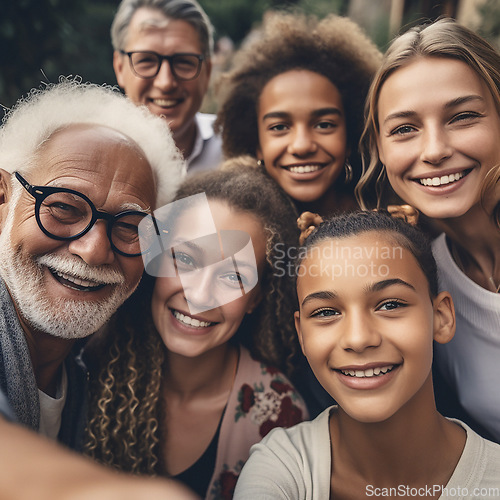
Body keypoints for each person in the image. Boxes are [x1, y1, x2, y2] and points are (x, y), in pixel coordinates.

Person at [0, 79, 196, 499]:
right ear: (3, 199)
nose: (93, 251)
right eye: (64, 208)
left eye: (129, 228)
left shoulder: (91, 380)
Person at [234, 210, 500, 499]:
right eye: (325, 312)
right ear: (301, 334)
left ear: (441, 317)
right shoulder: (281, 468)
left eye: (389, 305)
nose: (358, 339)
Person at [85, 158, 308, 499]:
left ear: (256, 298)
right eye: (185, 260)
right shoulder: (88, 371)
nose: (200, 296)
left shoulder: (280, 414)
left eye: (233, 276)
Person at [356, 18, 500, 443]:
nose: (434, 150)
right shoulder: (421, 280)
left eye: (463, 117)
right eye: (405, 129)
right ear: (379, 149)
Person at [215, 12, 381, 217]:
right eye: (279, 127)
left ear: (350, 136)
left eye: (324, 125)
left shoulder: (389, 221)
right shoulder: (228, 219)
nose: (302, 146)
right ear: (256, 144)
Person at [111, 0, 222, 173]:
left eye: (183, 62)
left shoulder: (240, 149)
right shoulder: (87, 157)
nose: (165, 83)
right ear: (119, 68)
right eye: (146, 60)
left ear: (207, 72)